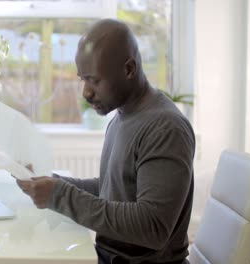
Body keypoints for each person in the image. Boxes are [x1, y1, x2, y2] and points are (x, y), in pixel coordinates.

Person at [16, 18, 195, 264]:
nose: (86, 93)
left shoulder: (165, 127)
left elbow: (153, 227)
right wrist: (53, 182)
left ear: (129, 69)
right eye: (83, 80)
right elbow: (116, 189)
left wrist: (60, 195)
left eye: (95, 80)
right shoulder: (123, 116)